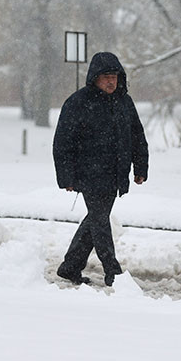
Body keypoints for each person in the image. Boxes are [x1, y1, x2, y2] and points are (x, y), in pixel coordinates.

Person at [52, 51, 148, 286]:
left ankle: (70, 265)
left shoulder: (124, 102)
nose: (111, 81)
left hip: (115, 174)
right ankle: (113, 272)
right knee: (100, 221)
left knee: (96, 219)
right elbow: (62, 142)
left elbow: (137, 135)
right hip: (89, 174)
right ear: (94, 77)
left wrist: (140, 167)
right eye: (105, 76)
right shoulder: (78, 102)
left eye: (114, 76)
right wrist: (67, 176)